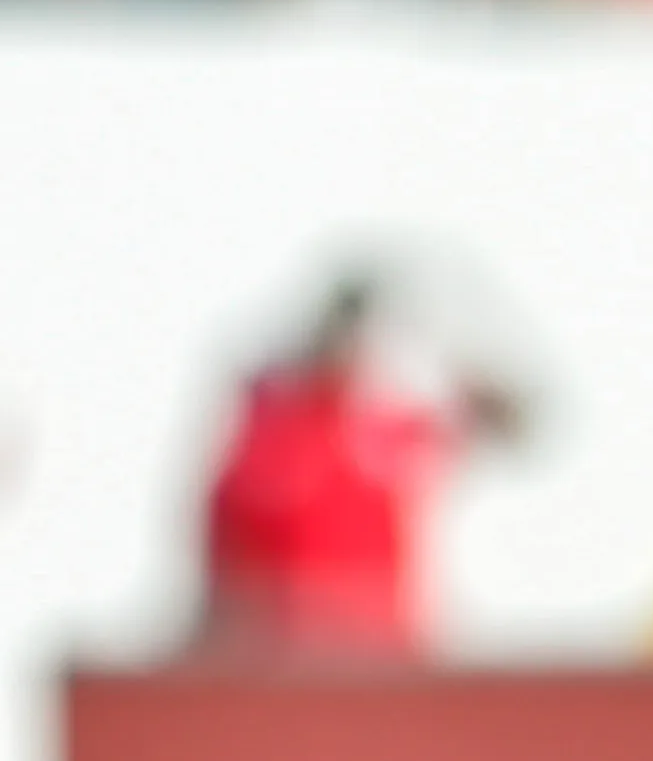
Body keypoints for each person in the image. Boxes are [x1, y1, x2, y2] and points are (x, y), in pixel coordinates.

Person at [198, 270, 529, 665]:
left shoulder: (382, 434)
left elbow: (511, 423)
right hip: (270, 661)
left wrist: (458, 347)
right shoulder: (266, 433)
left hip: (380, 657)